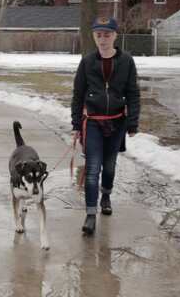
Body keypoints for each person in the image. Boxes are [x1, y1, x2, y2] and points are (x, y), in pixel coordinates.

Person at [71, 17, 140, 235]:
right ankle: (90, 214)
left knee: (109, 167)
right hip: (92, 123)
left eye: (107, 34)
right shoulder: (87, 62)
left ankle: (106, 196)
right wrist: (75, 123)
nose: (102, 39)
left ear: (115, 36)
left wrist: (132, 122)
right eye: (98, 35)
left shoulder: (127, 61)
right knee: (92, 169)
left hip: (117, 123)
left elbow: (133, 93)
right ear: (94, 36)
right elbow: (78, 95)